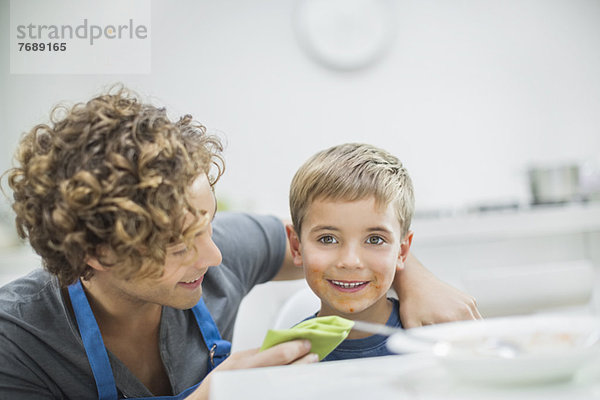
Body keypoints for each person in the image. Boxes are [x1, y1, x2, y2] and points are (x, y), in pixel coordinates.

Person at [0, 87, 479, 399]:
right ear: (97, 254)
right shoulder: (16, 338)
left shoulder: (221, 251)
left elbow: (330, 239)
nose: (215, 256)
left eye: (208, 224)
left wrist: (415, 275)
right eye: (180, 247)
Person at [286, 143, 415, 361]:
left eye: (375, 239)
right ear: (297, 247)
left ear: (402, 251)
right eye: (328, 239)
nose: (350, 261)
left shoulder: (431, 342)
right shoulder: (284, 357)